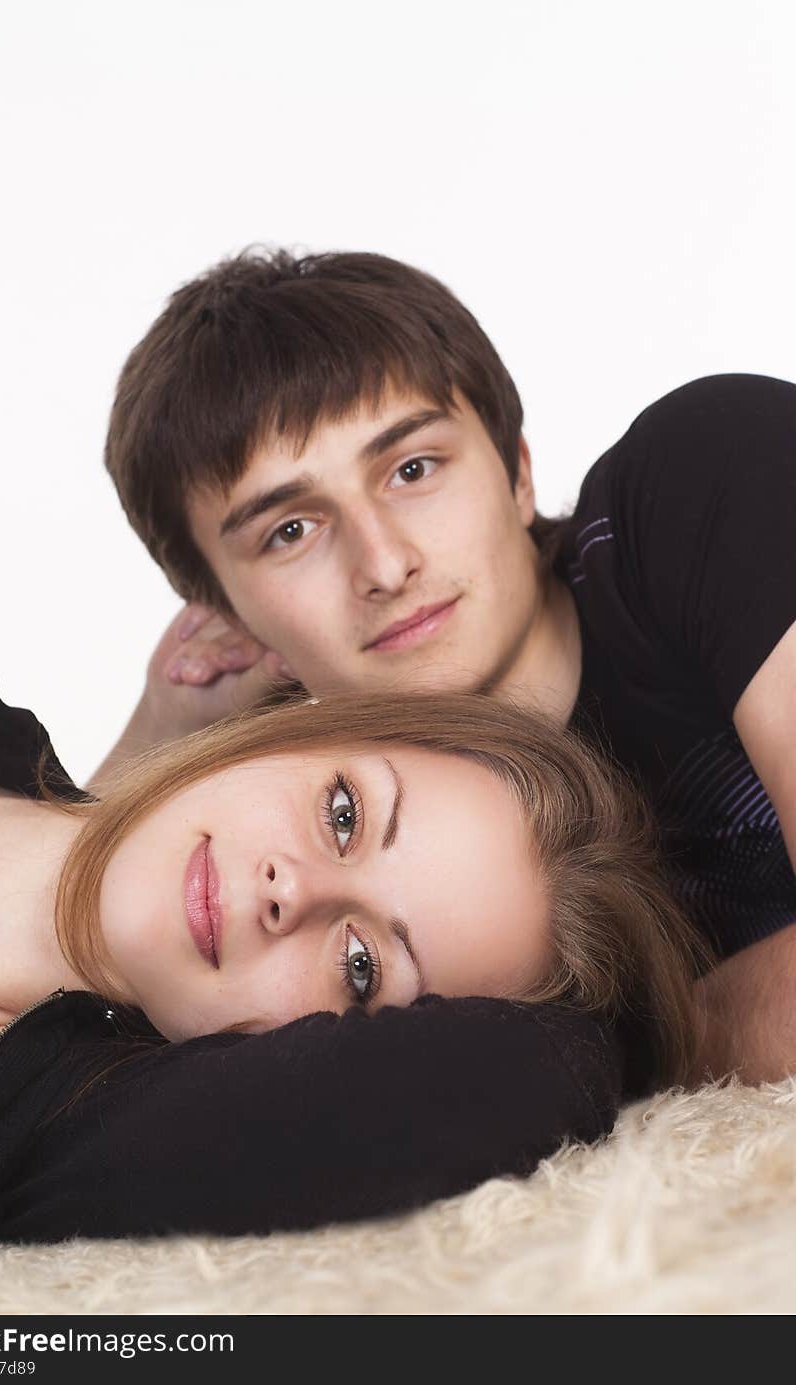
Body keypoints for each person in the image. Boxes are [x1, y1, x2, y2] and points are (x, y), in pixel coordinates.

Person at [99, 248, 796, 1083]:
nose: (385, 563)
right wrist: (163, 730)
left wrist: (658, 1047)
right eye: (291, 530)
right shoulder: (309, 866)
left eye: (412, 469)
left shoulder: (701, 480)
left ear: (519, 471)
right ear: (234, 620)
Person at [0, 553, 702, 1243]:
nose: (290, 890)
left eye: (361, 966)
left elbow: (523, 1077)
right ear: (307, 727)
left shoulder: (57, 1135)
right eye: (344, 812)